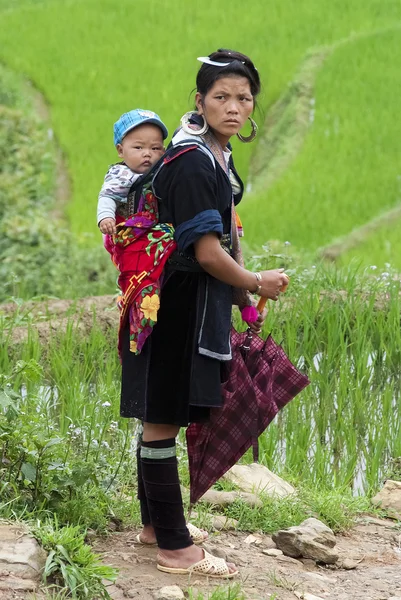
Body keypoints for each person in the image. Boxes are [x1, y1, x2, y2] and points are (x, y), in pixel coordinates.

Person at [121, 49, 289, 578]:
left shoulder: (212, 154)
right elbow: (206, 252)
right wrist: (256, 283)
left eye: (244, 98)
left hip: (179, 303)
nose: (234, 107)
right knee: (162, 420)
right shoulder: (194, 161)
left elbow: (223, 237)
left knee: (160, 415)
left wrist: (240, 298)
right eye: (222, 97)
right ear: (200, 102)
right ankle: (175, 548)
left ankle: (155, 527)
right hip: (174, 308)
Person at [97, 108, 168, 234]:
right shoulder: (121, 174)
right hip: (129, 233)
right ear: (120, 150)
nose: (147, 153)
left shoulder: (165, 170)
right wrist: (106, 217)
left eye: (155, 148)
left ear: (164, 151)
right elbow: (108, 196)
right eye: (138, 147)